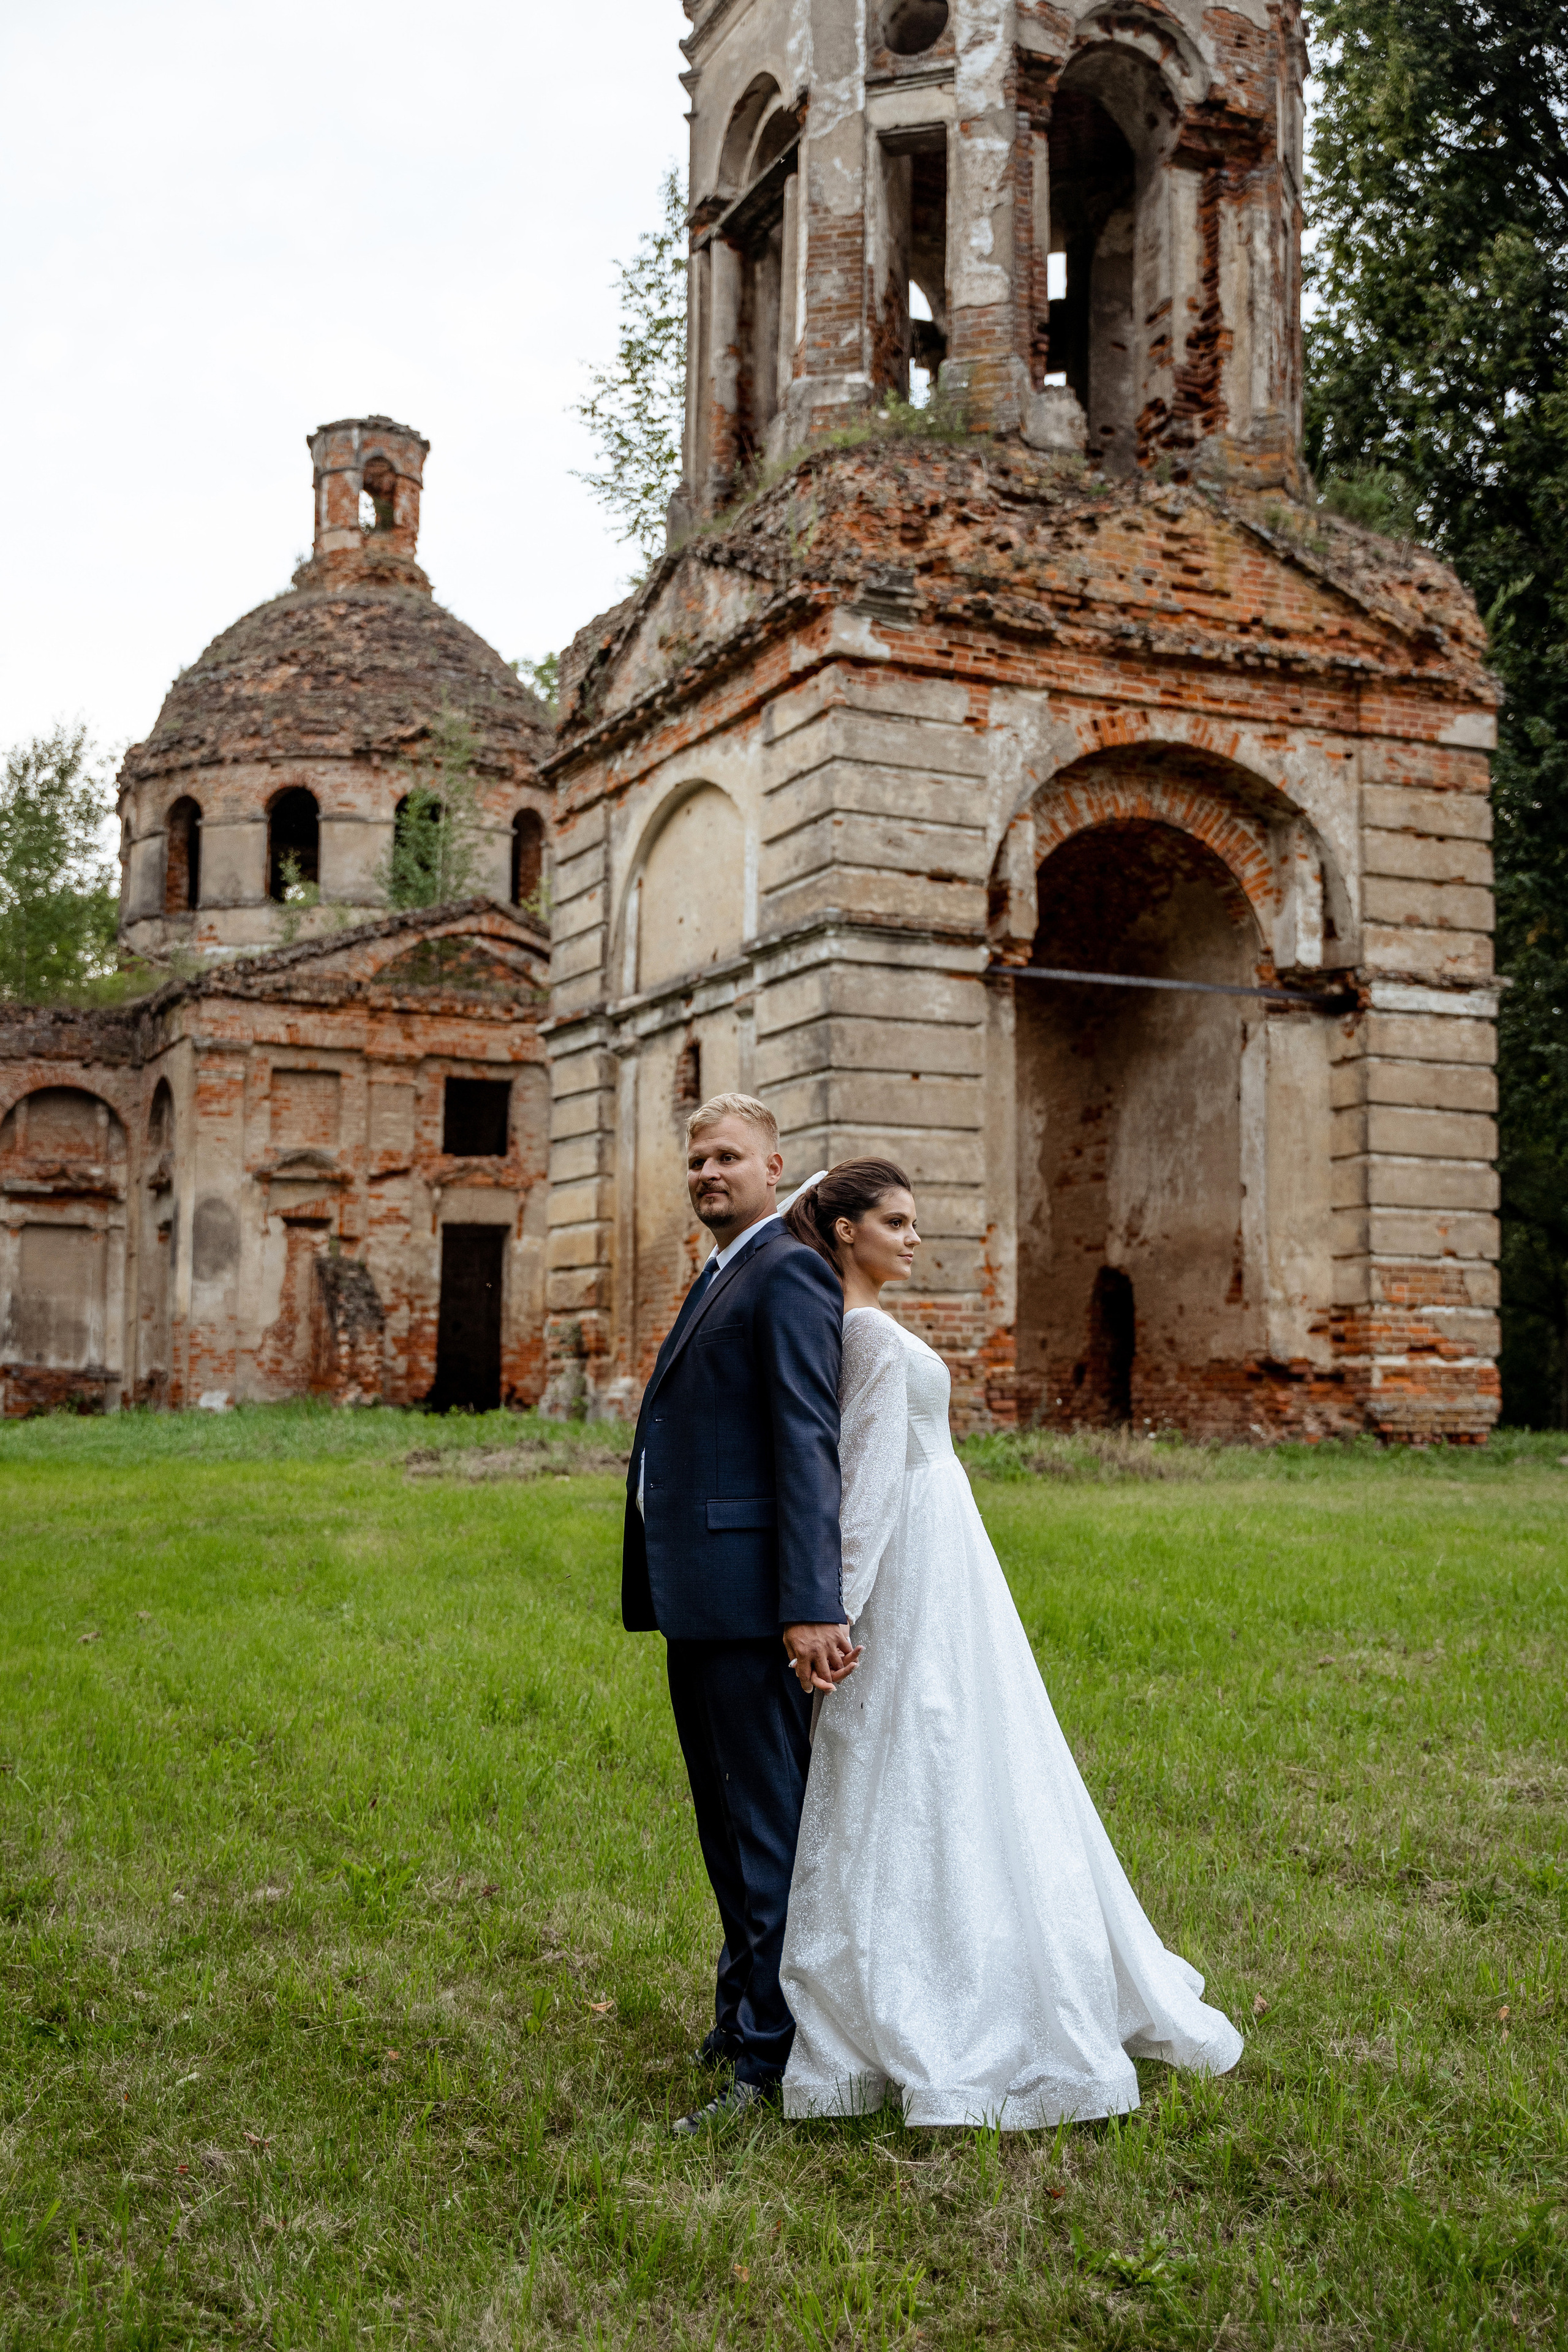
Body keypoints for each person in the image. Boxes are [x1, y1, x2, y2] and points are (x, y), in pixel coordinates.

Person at [778, 1160, 1245, 2128]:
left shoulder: (874, 1327)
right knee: (919, 1744)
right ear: (844, 1232)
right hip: (910, 1557)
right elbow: (860, 1483)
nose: (913, 1238)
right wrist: (840, 1609)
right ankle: (922, 1986)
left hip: (948, 1555)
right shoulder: (861, 1334)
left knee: (965, 1737)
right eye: (894, 1222)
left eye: (915, 1221)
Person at [622, 1094, 858, 2134]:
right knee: (726, 1827)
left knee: (767, 1832)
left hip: (755, 1603)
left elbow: (808, 1441)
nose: (708, 1172)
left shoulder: (790, 1270)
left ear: (775, 1166)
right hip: (698, 1601)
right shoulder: (721, 1270)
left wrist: (810, 1605)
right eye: (697, 1158)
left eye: (728, 1157)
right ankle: (740, 2017)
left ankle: (771, 2060)